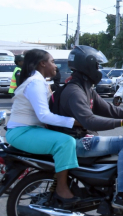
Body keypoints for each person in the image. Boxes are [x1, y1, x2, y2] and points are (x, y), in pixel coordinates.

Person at [50, 45, 123, 214]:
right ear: (87, 66)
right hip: (79, 142)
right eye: (97, 66)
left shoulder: (85, 88)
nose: (99, 70)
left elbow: (111, 110)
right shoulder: (75, 91)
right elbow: (90, 121)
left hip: (83, 138)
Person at [5, 49, 79, 206]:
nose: (55, 66)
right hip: (22, 131)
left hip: (30, 130)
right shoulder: (35, 83)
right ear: (42, 63)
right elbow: (44, 116)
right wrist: (75, 121)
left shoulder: (39, 81)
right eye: (52, 62)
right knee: (65, 142)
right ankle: (61, 188)